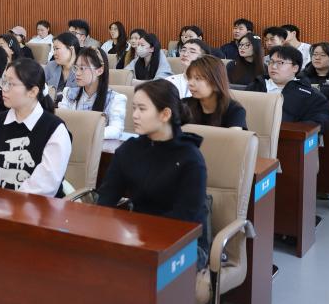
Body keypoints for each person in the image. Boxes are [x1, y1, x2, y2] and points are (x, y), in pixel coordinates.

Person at [96, 80, 208, 271]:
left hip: (185, 242)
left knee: (136, 271)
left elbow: (185, 218)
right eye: (134, 108)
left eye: (142, 109)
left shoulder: (190, 158)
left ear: (165, 114)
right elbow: (106, 199)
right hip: (139, 237)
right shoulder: (130, 150)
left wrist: (138, 235)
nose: (135, 115)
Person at [0, 58, 72, 196]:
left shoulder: (55, 130)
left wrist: (10, 204)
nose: (4, 88)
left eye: (11, 84)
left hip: (38, 205)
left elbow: (44, 186)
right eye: (4, 82)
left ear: (32, 91)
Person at [60, 46, 127, 140]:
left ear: (99, 70)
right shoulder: (69, 93)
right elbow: (61, 121)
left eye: (82, 68)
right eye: (76, 68)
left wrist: (86, 134)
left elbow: (116, 130)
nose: (77, 73)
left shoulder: (116, 98)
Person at [265, 45, 329, 127]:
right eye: (271, 62)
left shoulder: (311, 95)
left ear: (295, 68)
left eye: (280, 63)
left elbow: (320, 122)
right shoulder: (255, 86)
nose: (273, 66)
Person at [181, 55, 248, 128]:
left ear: (215, 82)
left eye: (197, 78)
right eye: (189, 78)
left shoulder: (235, 110)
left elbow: (234, 135)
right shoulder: (184, 105)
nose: (190, 83)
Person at [44, 31, 80, 97]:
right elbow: (41, 89)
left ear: (71, 49)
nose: (54, 53)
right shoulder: (50, 66)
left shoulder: (81, 70)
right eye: (54, 49)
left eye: (57, 49)